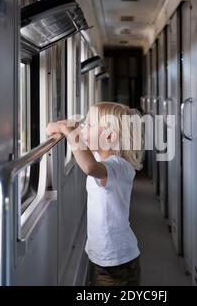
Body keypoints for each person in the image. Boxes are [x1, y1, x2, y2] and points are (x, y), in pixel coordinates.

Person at [46, 102, 144, 286]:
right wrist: (62, 126)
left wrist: (71, 132)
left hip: (118, 264)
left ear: (109, 136)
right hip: (101, 256)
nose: (83, 129)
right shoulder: (99, 156)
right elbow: (87, 155)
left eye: (89, 125)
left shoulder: (119, 167)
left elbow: (89, 166)